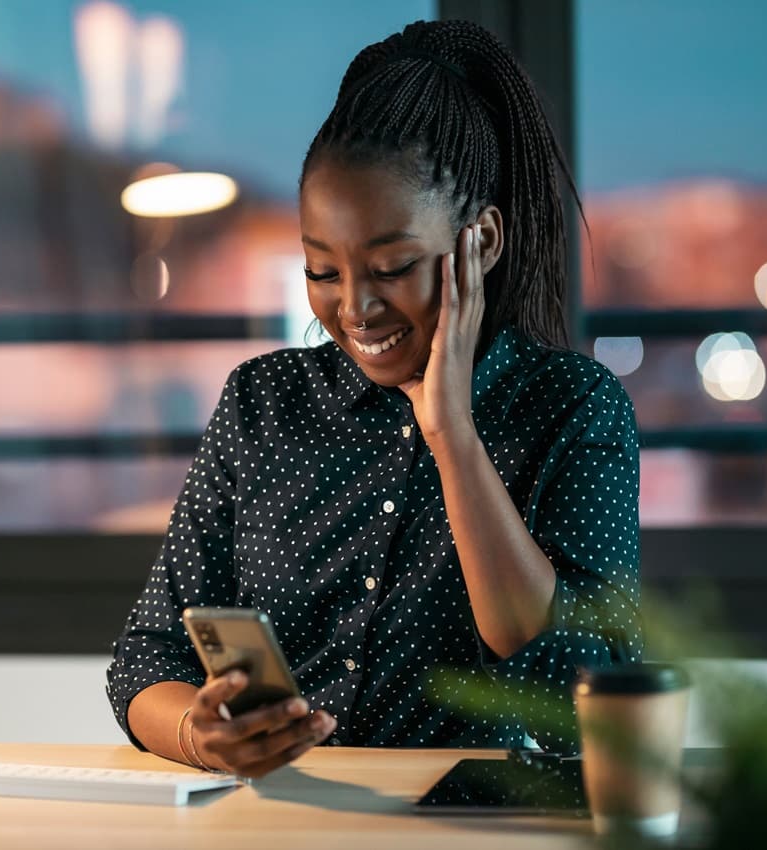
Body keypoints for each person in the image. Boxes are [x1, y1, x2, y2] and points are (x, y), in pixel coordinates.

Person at [106, 19, 642, 779]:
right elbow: (148, 658)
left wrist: (453, 434)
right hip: (283, 824)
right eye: (323, 272)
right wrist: (200, 734)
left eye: (392, 267)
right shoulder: (263, 404)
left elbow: (580, 691)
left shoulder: (573, 409)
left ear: (480, 243)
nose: (355, 308)